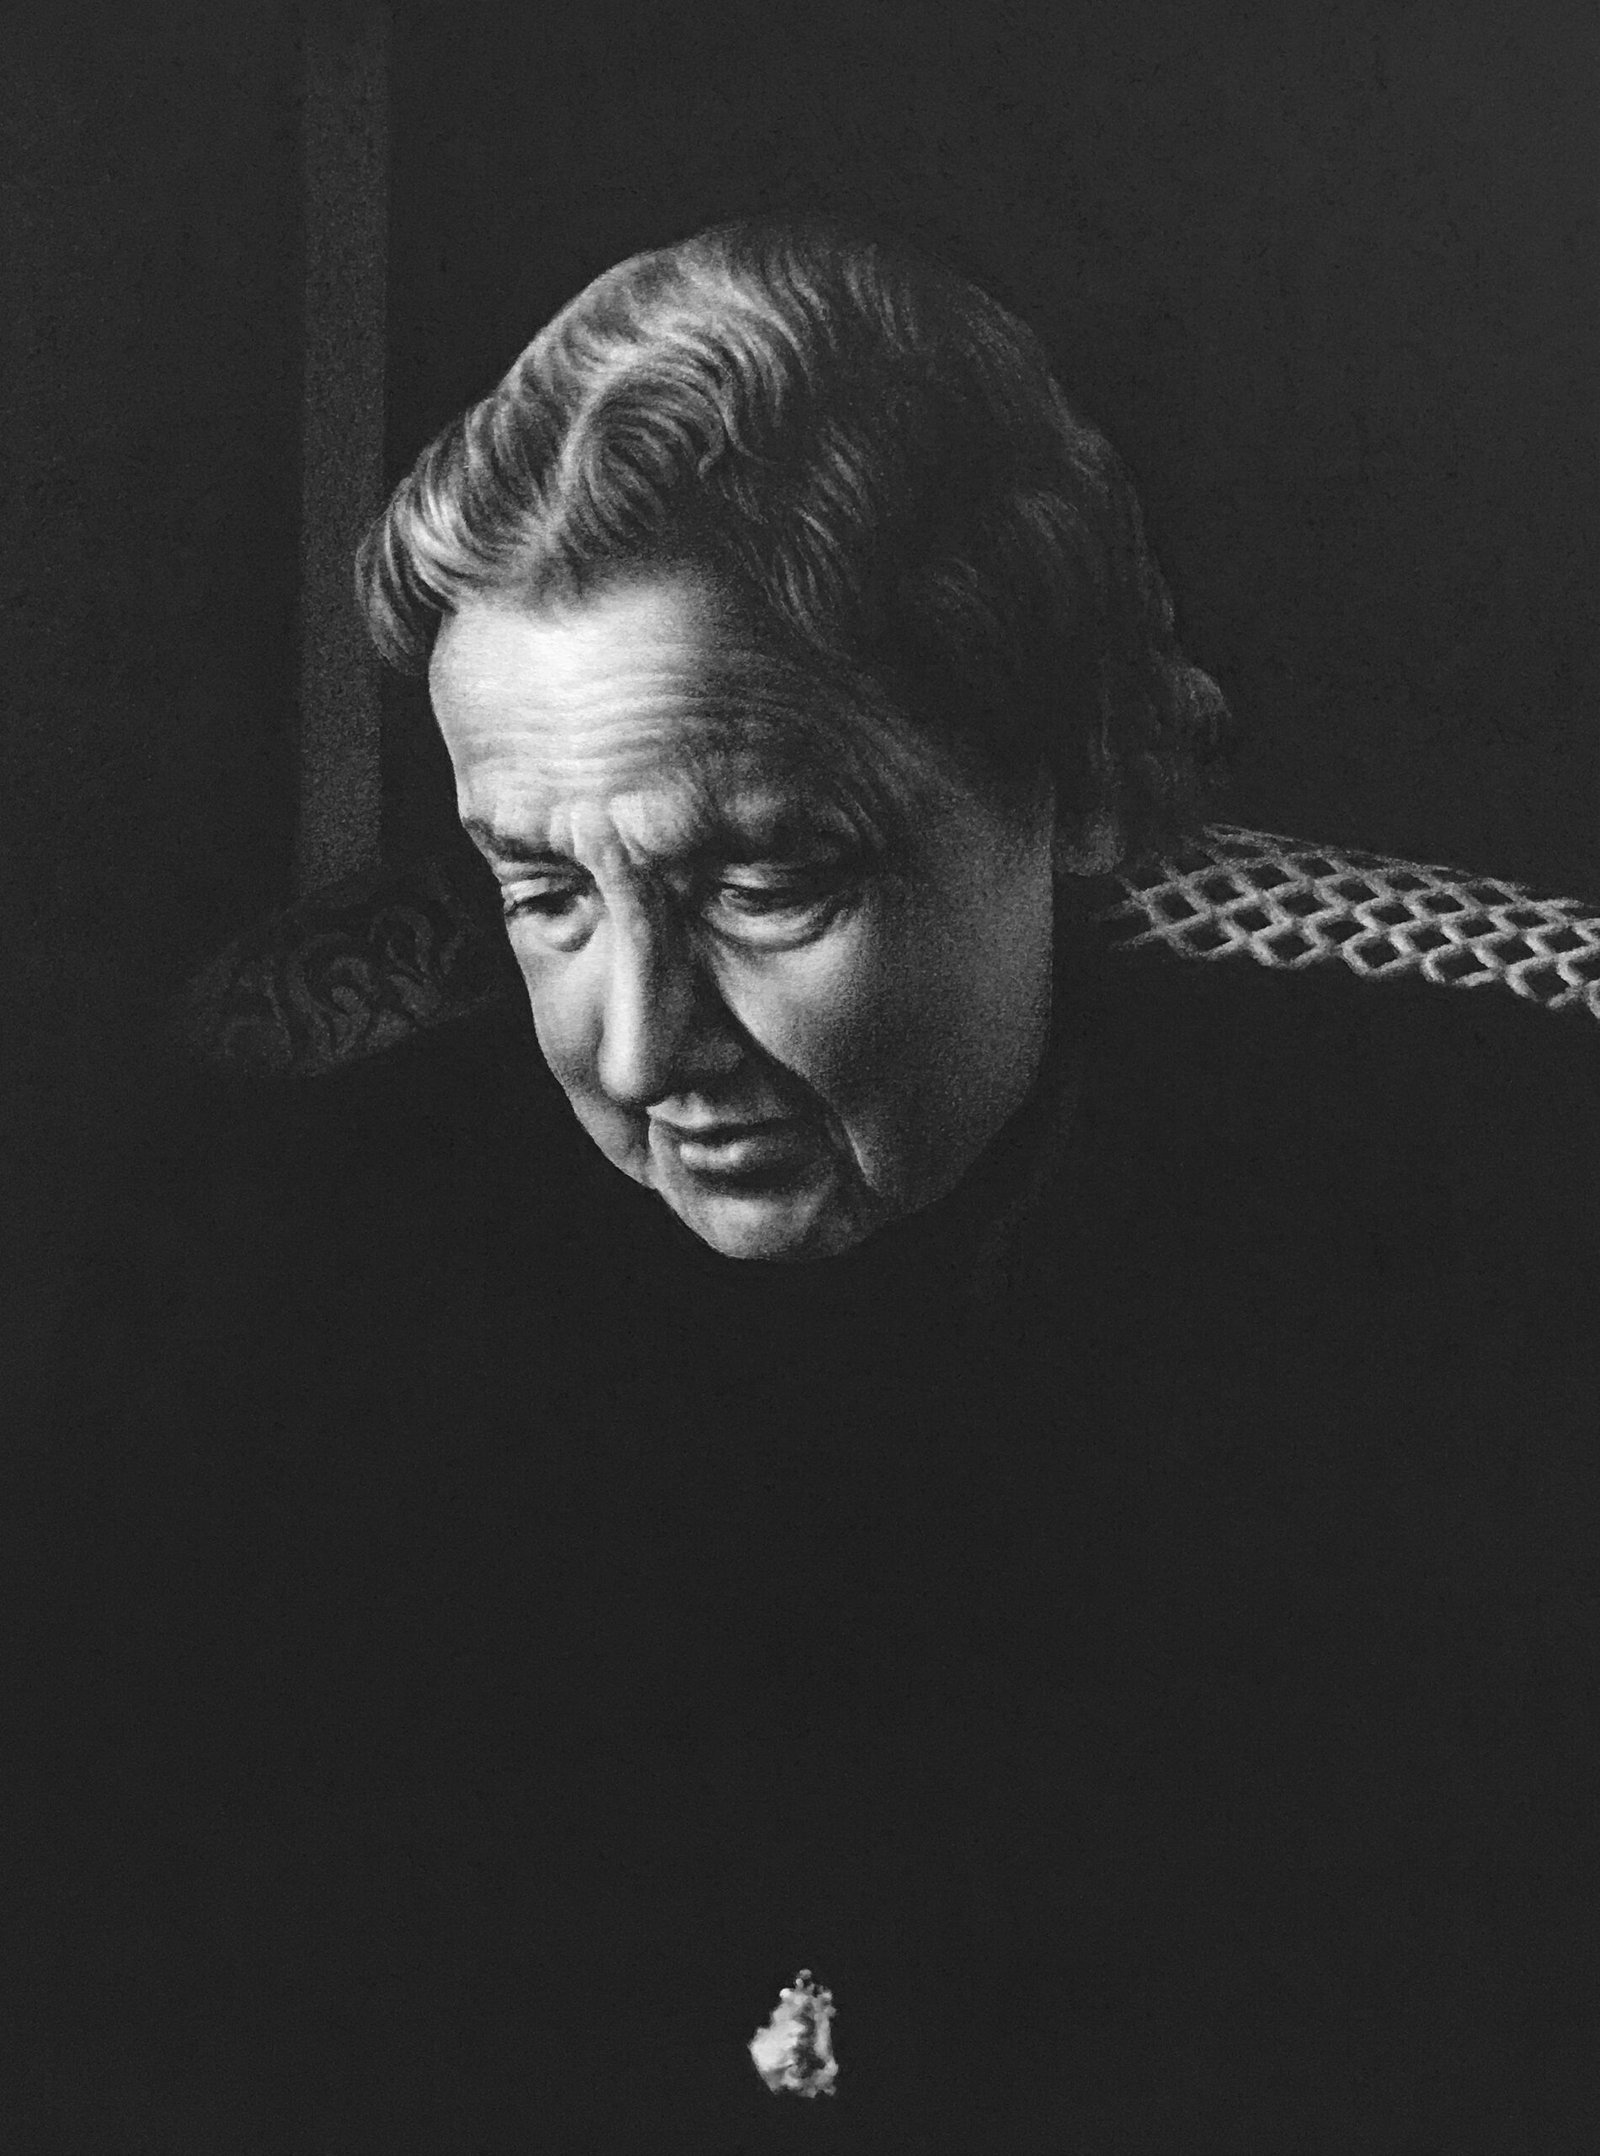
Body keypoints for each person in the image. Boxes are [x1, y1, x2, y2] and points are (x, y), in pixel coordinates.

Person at [19, 218, 1600, 2152]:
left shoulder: (1490, 1260)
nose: (634, 1047)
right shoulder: (258, 1292)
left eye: (769, 885)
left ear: (1082, 784)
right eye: (544, 893)